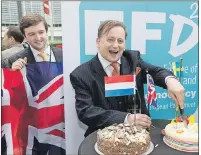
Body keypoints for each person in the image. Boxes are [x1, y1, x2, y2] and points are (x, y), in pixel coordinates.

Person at [70, 20, 185, 137]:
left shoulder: (132, 60)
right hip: (104, 137)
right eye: (110, 39)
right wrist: (126, 119)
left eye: (120, 41)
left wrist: (170, 80)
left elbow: (155, 72)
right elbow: (86, 111)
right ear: (98, 42)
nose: (115, 45)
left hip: (140, 135)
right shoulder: (81, 74)